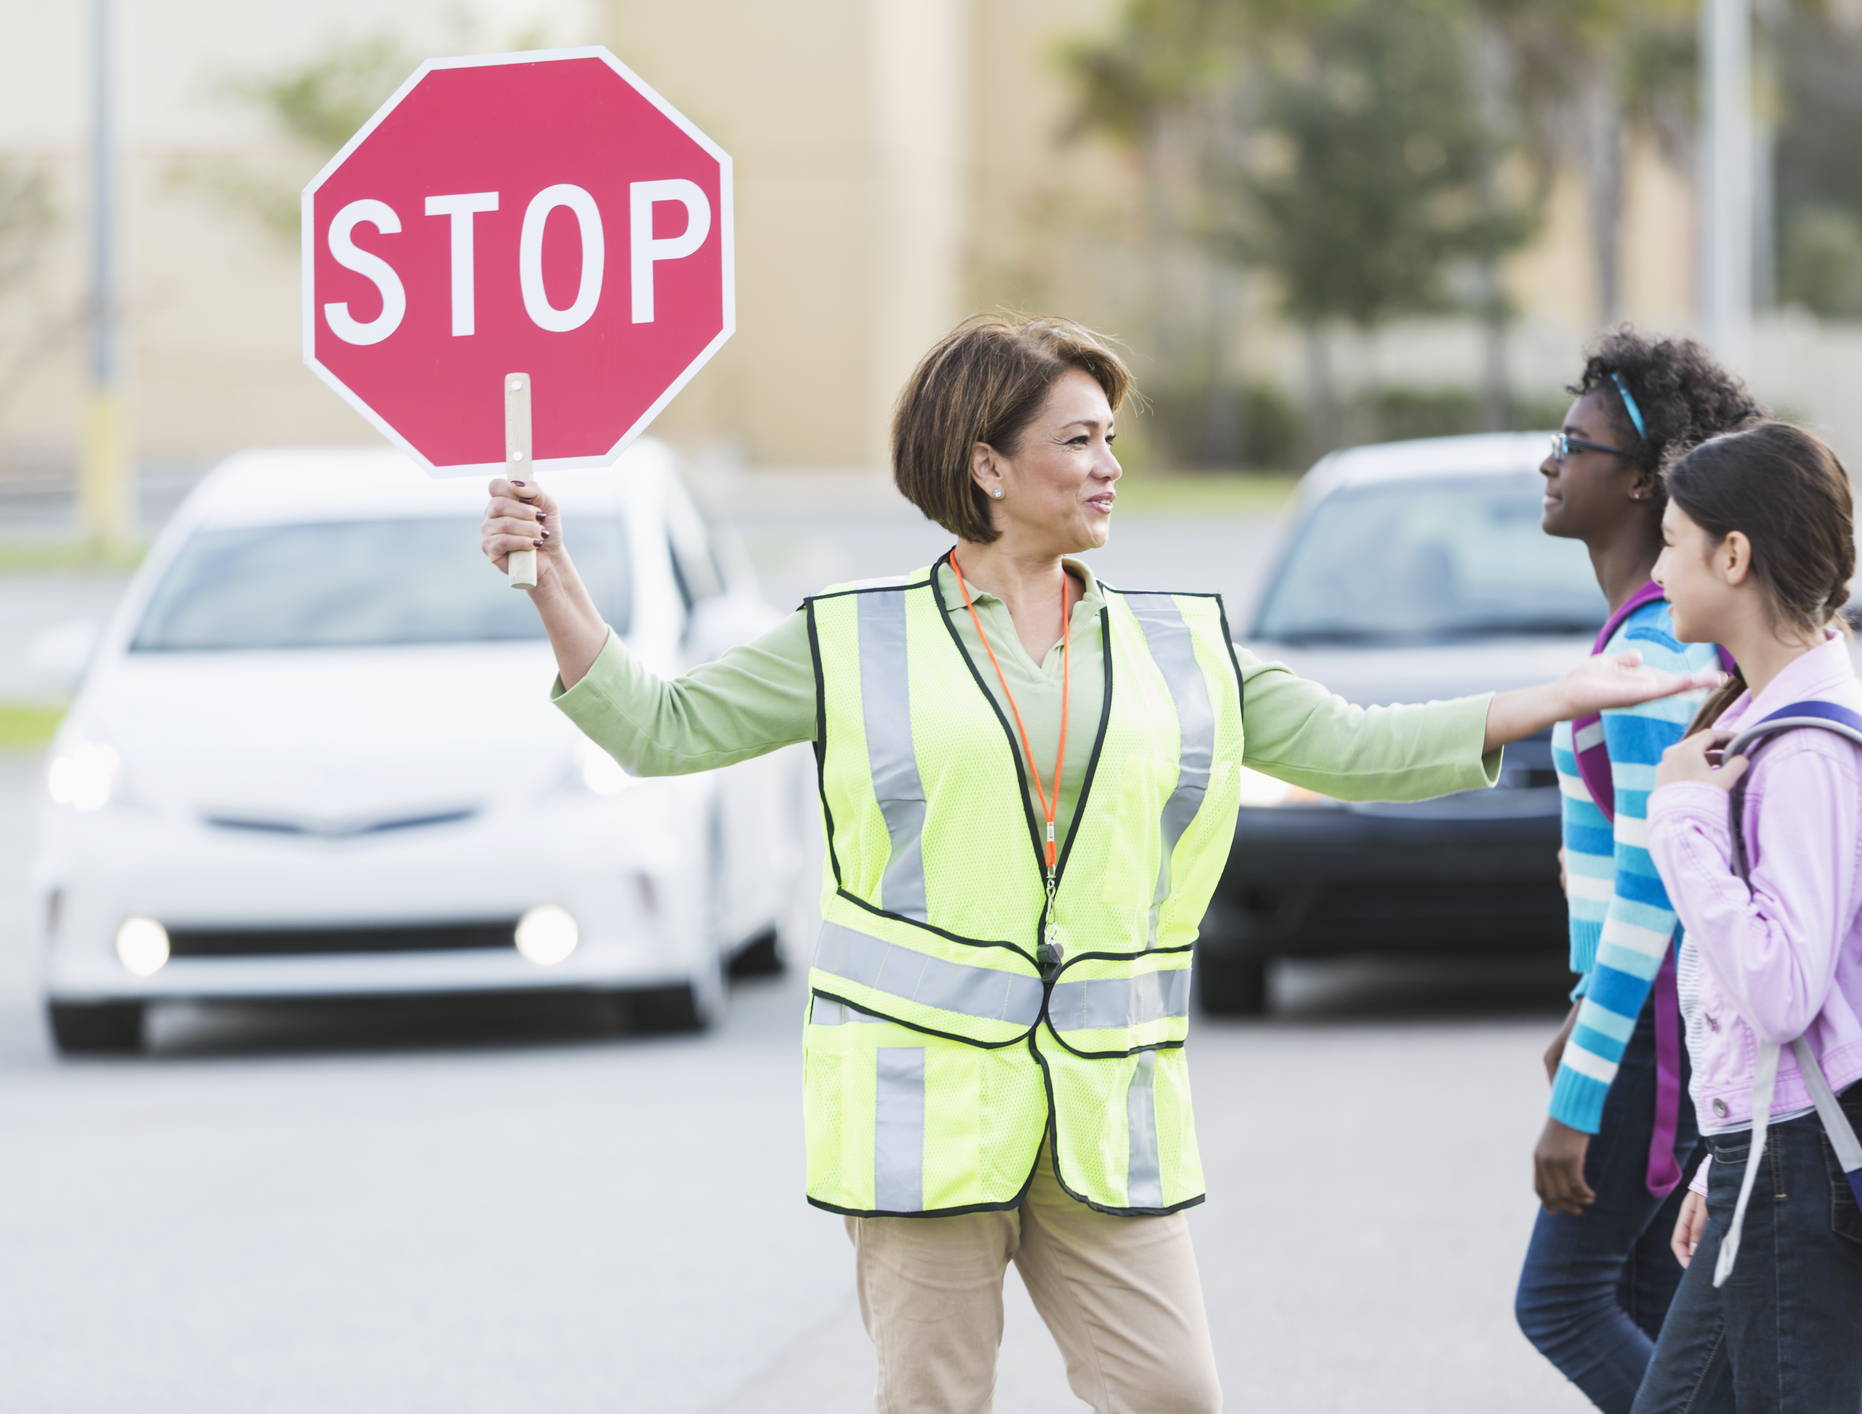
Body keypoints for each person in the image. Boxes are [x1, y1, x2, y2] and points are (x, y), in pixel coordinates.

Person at [477, 314, 1722, 1414]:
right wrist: (559, 583)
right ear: (987, 466)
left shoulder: (1177, 643)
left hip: (1100, 1112)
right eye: (1078, 440)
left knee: (1175, 1392)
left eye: (1111, 438)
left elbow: (1356, 744)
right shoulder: (850, 639)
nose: (1109, 465)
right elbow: (660, 727)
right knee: (935, 1402)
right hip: (924, 1118)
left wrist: (1563, 693)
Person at [1516, 332, 1763, 1412]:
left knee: (1564, 1301)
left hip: (1660, 1034)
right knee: (1664, 1305)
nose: (1550, 463)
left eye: (1575, 444)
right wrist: (1582, 1006)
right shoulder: (1643, 631)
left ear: (1646, 481)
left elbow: (1650, 893)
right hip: (1650, 1022)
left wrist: (1579, 1097)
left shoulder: (1659, 651)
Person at [1632, 421, 1862, 1413]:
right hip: (1769, 1151)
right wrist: (1721, 1154)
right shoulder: (1772, 718)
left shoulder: (1806, 751)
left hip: (1797, 1160)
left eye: (1671, 540)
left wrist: (1680, 821)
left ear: (1733, 554)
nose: (1657, 566)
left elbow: (1786, 990)